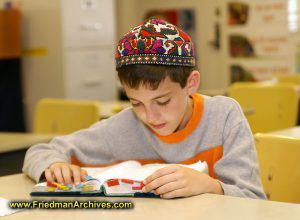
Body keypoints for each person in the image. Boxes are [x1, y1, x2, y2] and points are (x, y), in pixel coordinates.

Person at [23, 18, 266, 199]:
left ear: (191, 83)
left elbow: (254, 199)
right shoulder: (126, 125)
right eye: (136, 103)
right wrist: (53, 167)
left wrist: (212, 186)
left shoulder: (223, 116)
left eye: (163, 101)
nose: (150, 116)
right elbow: (40, 151)